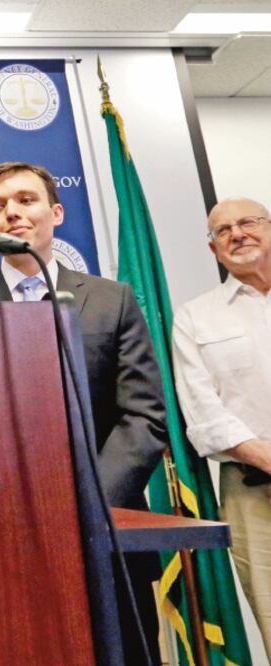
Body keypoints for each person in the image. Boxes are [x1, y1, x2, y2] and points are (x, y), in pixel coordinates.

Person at [0, 161, 168, 664]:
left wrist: (88, 506)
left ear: (56, 212)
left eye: (26, 200)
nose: (12, 214)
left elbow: (144, 416)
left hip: (108, 530)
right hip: (1, 534)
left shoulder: (112, 300)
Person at [173, 197, 271, 655]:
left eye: (248, 222)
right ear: (213, 250)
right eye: (222, 231)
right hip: (252, 490)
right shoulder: (196, 316)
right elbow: (203, 411)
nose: (237, 234)